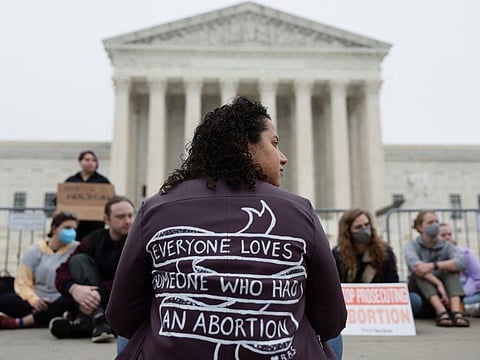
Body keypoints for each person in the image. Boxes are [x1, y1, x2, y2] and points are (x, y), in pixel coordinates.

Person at [106, 96, 347, 359]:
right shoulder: (300, 211)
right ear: (244, 146)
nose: (283, 157)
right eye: (275, 144)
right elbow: (331, 320)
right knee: (331, 339)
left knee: (133, 334)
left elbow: (121, 317)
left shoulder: (153, 209)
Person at [49, 195, 135, 343]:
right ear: (106, 220)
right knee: (78, 260)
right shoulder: (92, 240)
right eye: (121, 217)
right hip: (92, 297)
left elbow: (131, 281)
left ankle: (85, 324)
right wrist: (74, 289)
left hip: (121, 299)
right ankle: (99, 319)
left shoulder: (138, 242)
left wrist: (97, 294)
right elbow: (62, 271)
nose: (127, 221)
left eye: (130, 215)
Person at [332, 208, 422, 316]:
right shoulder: (338, 254)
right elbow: (334, 288)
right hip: (350, 304)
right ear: (348, 231)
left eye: (366, 225)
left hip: (380, 303)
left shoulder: (384, 252)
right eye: (358, 227)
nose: (364, 230)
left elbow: (392, 283)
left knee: (414, 300)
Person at [0, 212, 79, 329]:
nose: (71, 232)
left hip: (60, 299)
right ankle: (50, 318)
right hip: (37, 300)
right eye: (67, 228)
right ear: (54, 228)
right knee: (4, 300)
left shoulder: (77, 249)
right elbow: (23, 282)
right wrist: (35, 300)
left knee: (68, 303)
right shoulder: (34, 251)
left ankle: (19, 322)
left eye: (74, 229)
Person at [404, 210, 469, 327]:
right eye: (430, 222)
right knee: (420, 272)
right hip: (422, 297)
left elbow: (461, 262)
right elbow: (416, 266)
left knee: (450, 270)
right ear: (419, 227)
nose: (434, 225)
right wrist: (438, 283)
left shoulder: (447, 246)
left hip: (445, 296)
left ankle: (456, 312)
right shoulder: (412, 245)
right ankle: (441, 312)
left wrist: (434, 265)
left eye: (437, 222)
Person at [64, 150, 111, 240]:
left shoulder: (103, 181)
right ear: (80, 162)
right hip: (75, 224)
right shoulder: (71, 180)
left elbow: (110, 200)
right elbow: (61, 199)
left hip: (95, 224)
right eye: (87, 160)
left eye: (93, 160)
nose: (90, 163)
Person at [439, 223, 480, 317]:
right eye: (443, 235)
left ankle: (462, 307)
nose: (447, 237)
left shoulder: (466, 253)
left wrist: (462, 295)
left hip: (467, 293)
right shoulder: (433, 256)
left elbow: (477, 277)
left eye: (449, 234)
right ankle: (465, 309)